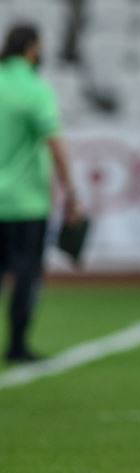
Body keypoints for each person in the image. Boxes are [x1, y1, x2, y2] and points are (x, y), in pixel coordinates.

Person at [0, 24, 79, 364]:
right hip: (25, 202)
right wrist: (71, 190)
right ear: (32, 49)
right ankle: (17, 345)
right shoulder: (35, 89)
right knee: (26, 276)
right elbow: (55, 143)